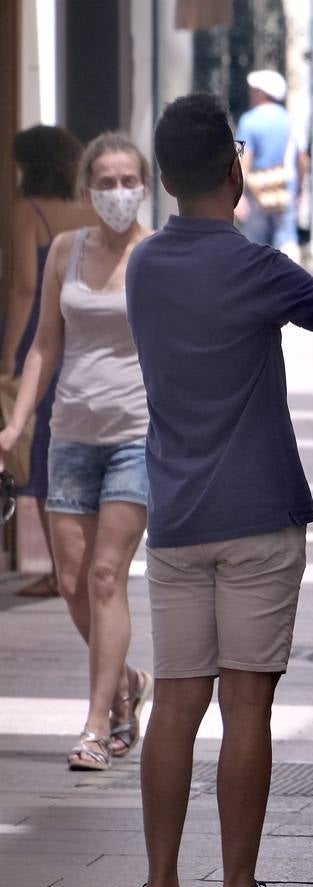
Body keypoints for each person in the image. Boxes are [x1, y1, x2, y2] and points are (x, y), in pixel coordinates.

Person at [128, 92, 313, 887]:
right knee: (246, 709)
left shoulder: (145, 266)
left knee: (177, 704)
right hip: (259, 516)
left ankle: (159, 884)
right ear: (236, 168)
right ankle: (238, 886)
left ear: (160, 178)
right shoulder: (260, 268)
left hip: (178, 520)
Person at [0, 131, 155, 775]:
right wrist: (14, 424)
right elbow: (43, 346)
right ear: (87, 188)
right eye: (108, 182)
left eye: (130, 181)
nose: (119, 193)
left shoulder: (156, 254)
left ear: (144, 185)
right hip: (69, 435)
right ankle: (128, 682)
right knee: (68, 582)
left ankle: (96, 724)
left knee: (104, 576)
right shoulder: (65, 249)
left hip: (137, 436)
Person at [4, 125, 98, 598]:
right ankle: (78, 563)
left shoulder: (29, 212)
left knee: (40, 452)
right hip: (84, 340)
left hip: (39, 342)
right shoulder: (89, 212)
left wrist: (8, 356)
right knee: (77, 446)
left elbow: (24, 287)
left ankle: (61, 570)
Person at [235, 69, 300, 259]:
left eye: (253, 89)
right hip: (284, 189)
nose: (250, 93)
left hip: (257, 193)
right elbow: (302, 159)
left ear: (262, 92)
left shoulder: (249, 121)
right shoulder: (290, 119)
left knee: (255, 248)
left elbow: (242, 160)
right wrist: (299, 190)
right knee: (286, 242)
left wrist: (237, 196)